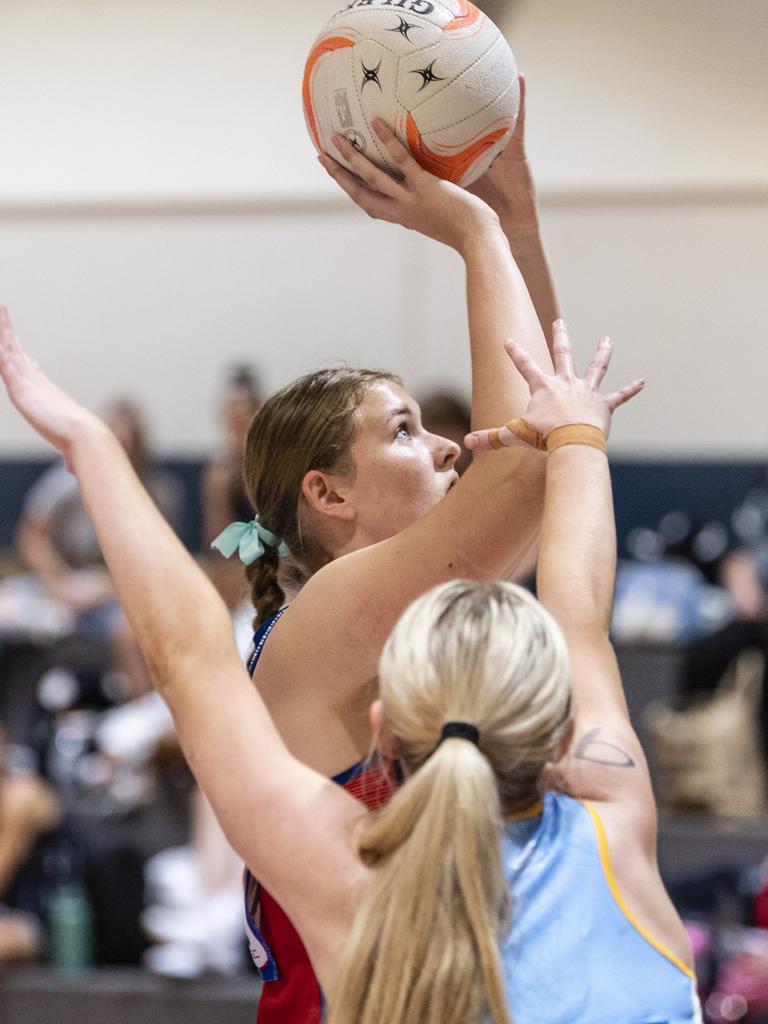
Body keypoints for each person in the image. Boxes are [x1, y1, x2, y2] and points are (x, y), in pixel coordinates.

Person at [0, 307, 701, 1023]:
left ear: (386, 736)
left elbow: (189, 657)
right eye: (405, 429)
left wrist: (90, 445)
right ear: (560, 734)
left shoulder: (362, 893)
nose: (448, 448)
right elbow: (579, 615)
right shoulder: (619, 831)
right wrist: (578, 436)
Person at [209, 88, 560, 1018]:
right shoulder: (318, 621)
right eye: (406, 430)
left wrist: (514, 216)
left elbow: (547, 428)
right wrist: (475, 231)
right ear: (328, 495)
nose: (448, 444)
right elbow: (521, 472)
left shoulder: (413, 615)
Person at [15, 398, 183, 699]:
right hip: (64, 583)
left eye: (127, 444)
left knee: (131, 632)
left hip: (122, 591)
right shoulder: (68, 478)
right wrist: (61, 581)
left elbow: (160, 565)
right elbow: (31, 536)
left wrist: (106, 588)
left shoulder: (157, 491)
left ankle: (139, 721)